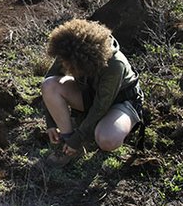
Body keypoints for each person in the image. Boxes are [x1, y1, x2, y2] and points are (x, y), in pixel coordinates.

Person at [40, 19, 144, 166]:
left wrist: (78, 138)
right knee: (49, 85)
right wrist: (50, 123)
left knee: (107, 140)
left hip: (120, 101)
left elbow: (101, 106)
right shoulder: (70, 48)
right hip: (90, 94)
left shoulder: (115, 65)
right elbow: (49, 80)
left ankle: (100, 131)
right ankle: (67, 143)